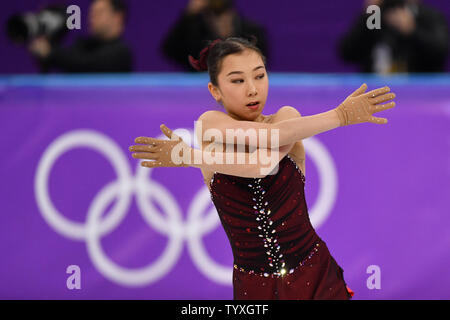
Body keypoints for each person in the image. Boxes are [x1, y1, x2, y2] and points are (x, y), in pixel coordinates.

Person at [129, 37, 397, 299]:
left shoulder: (286, 120)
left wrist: (341, 115)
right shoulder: (210, 125)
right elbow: (254, 163)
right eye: (237, 80)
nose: (252, 89)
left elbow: (262, 163)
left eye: (259, 76)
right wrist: (190, 154)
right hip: (253, 287)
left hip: (315, 276)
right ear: (215, 91)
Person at [338, 0, 449, 73]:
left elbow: (440, 51)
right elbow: (347, 53)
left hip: (418, 91)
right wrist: (369, 14)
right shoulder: (375, 17)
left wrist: (412, 31)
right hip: (376, 90)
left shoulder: (428, 17)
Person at [161, 0, 268, 71]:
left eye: (222, 13)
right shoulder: (194, 32)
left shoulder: (252, 32)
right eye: (213, 15)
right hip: (200, 91)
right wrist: (188, 16)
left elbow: (261, 63)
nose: (219, 21)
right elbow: (169, 49)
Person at [28, 0, 133, 73]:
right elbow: (69, 60)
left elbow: (86, 64)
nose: (92, 17)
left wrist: (50, 52)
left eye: (99, 13)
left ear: (118, 17)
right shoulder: (83, 46)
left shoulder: (121, 53)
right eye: (92, 13)